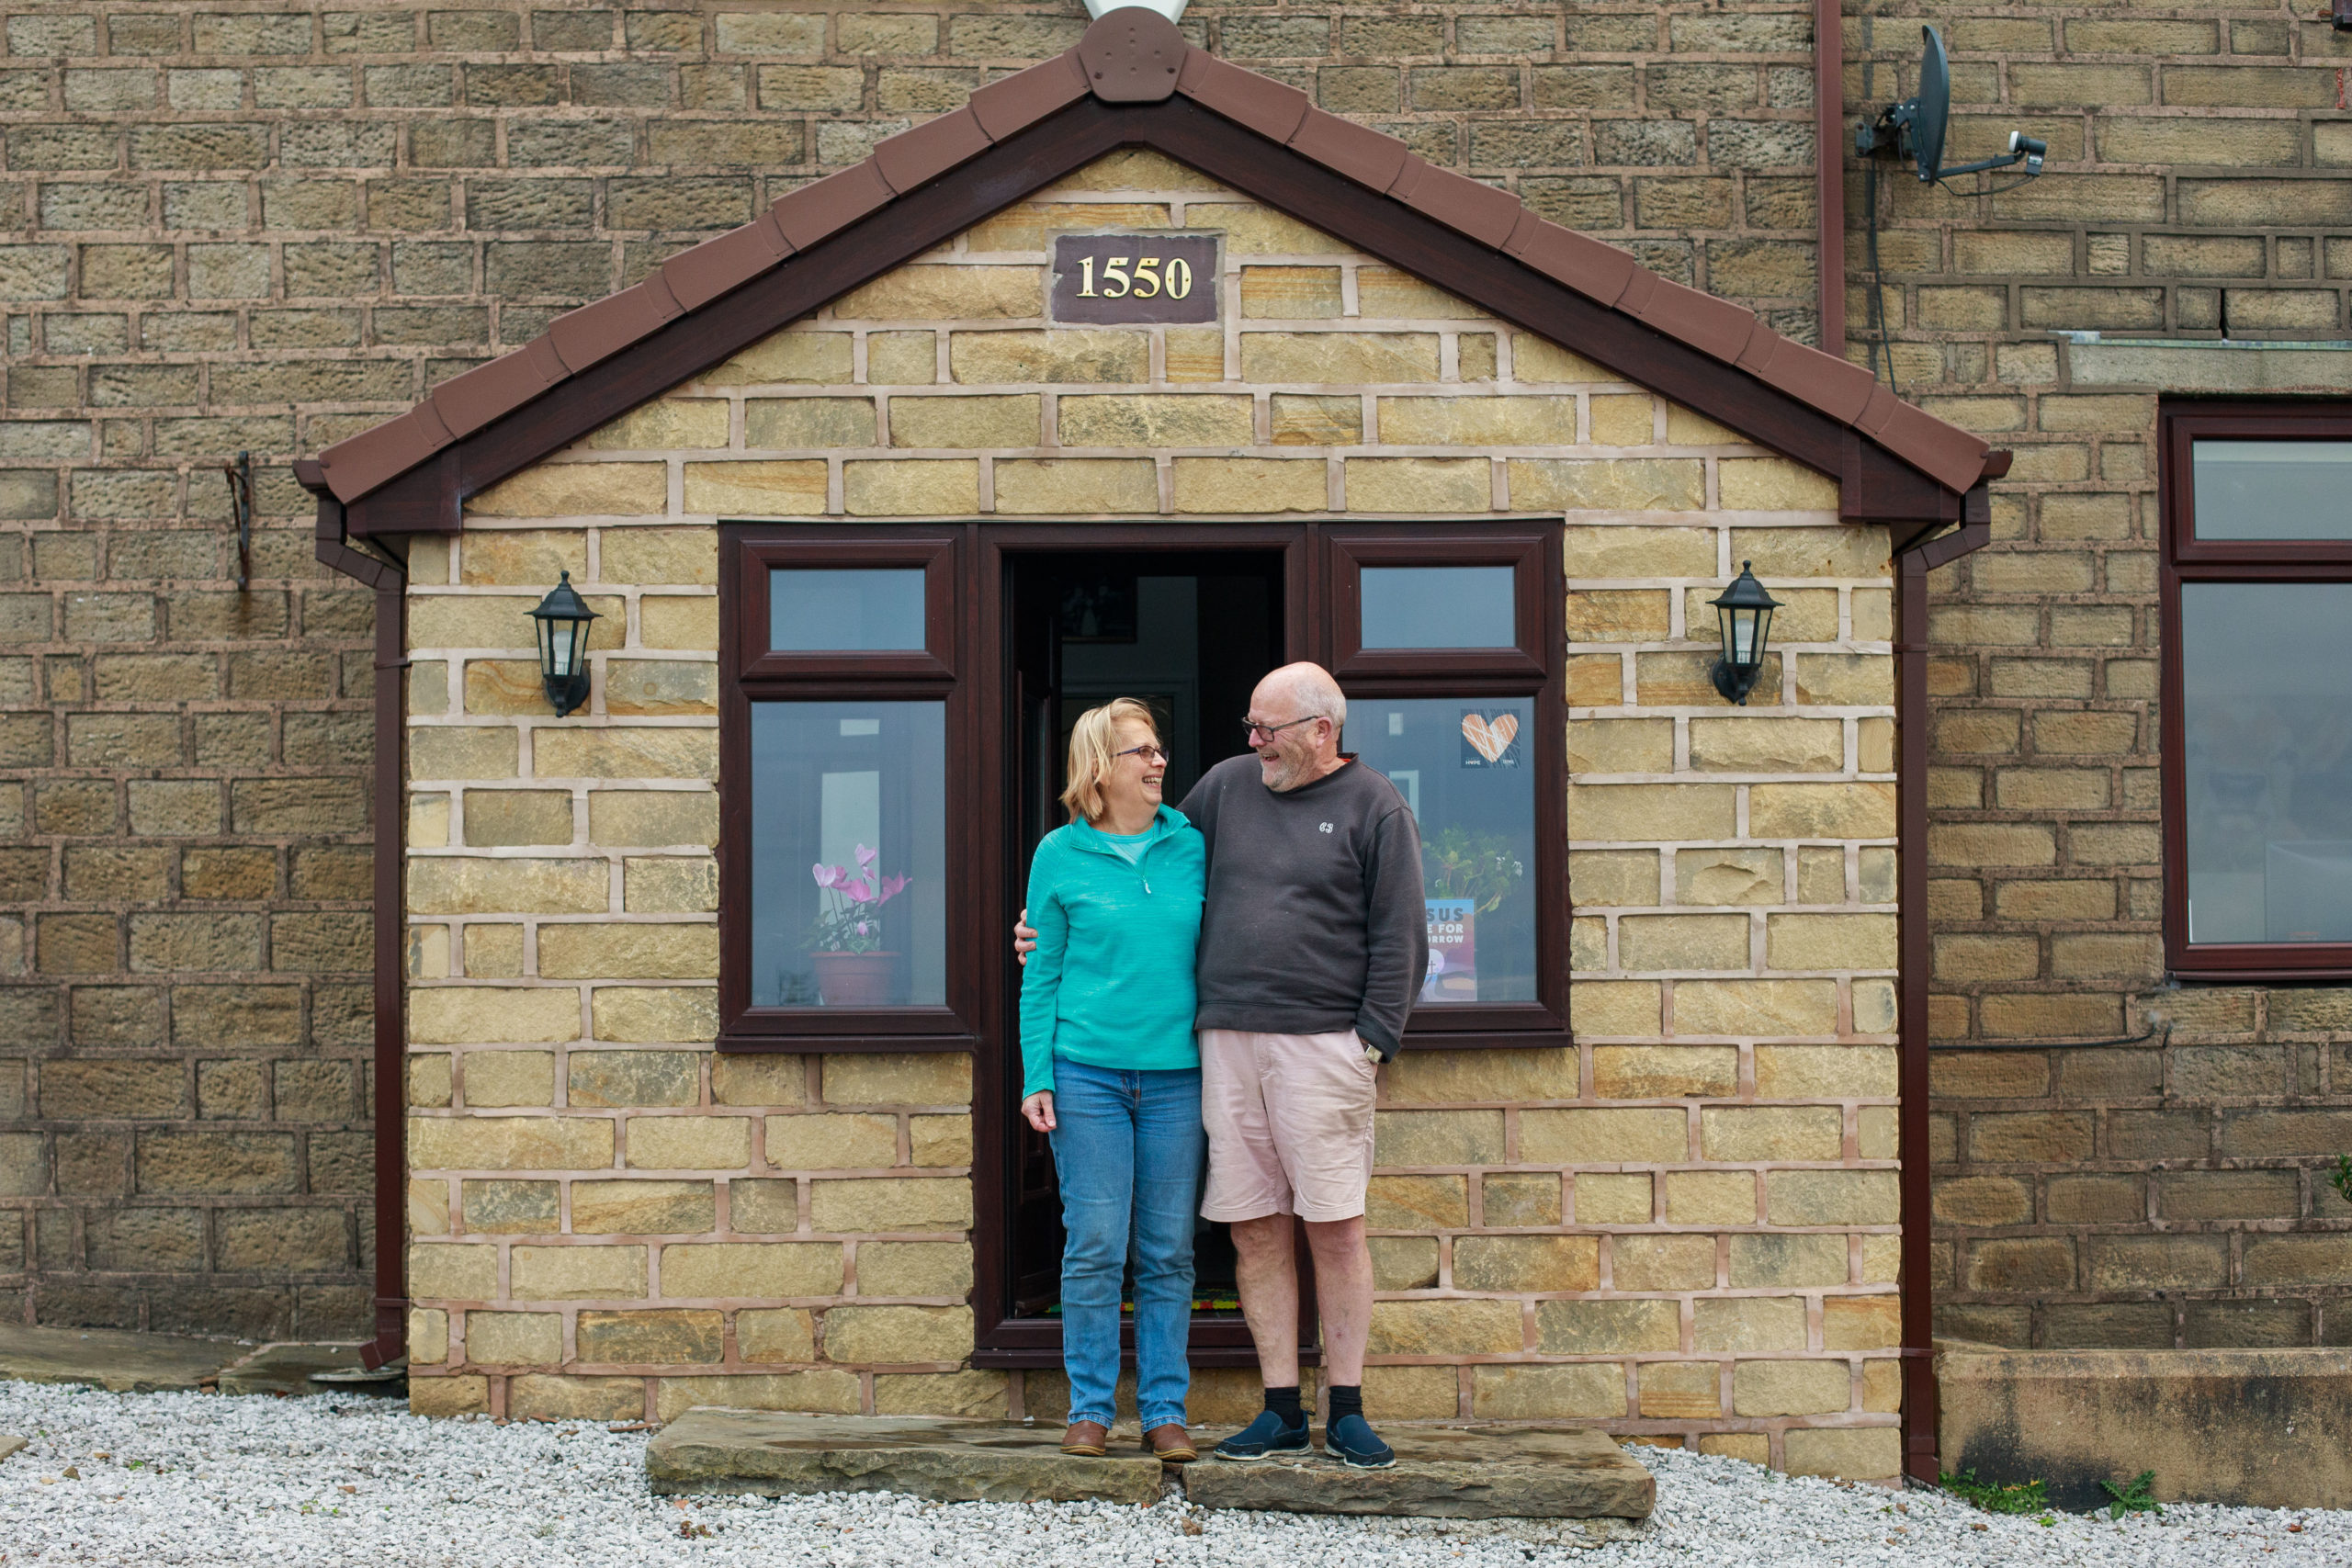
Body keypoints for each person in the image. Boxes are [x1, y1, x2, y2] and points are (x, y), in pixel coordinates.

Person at [1021, 663, 1426, 1470]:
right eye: (1249, 727)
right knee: (1245, 1227)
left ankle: (1341, 1407)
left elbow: (1401, 933)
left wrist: (1372, 1040)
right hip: (1205, 1052)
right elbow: (1081, 920)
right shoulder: (1225, 793)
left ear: (1321, 729)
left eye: (1266, 729)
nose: (1251, 743)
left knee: (1327, 1226)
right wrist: (1034, 941)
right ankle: (1273, 1406)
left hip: (1300, 1050)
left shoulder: (1368, 804)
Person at [1019, 698, 1208, 1464]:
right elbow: (1043, 972)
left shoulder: (1191, 846)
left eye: (1159, 748)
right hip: (1086, 1072)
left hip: (1177, 1078)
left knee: (1168, 1248)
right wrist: (1037, 1074)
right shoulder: (1057, 855)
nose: (1159, 761)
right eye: (1141, 751)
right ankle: (1090, 1408)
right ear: (1099, 767)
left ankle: (1165, 1410)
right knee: (1094, 1242)